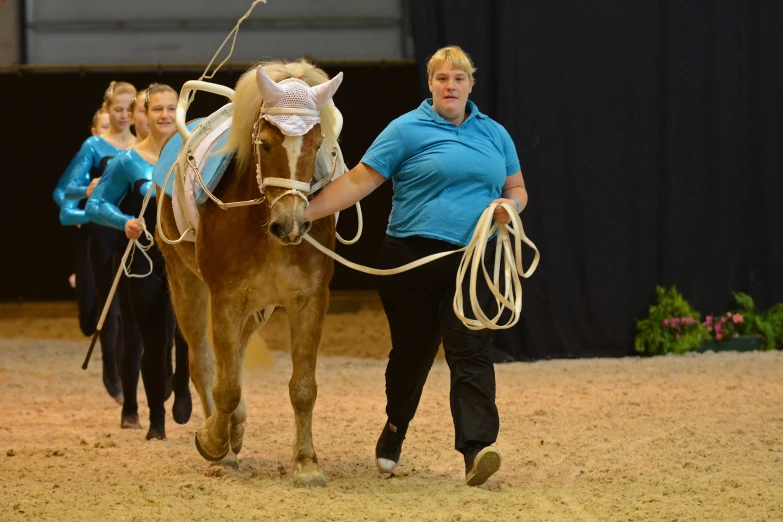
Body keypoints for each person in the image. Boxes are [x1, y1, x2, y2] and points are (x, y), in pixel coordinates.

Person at [305, 46, 528, 486]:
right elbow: (358, 182)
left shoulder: (495, 134)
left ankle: (476, 449)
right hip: (410, 258)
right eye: (442, 78)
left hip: (473, 260)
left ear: (470, 85)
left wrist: (510, 206)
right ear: (430, 84)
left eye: (459, 79)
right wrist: (300, 214)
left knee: (471, 351)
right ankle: (394, 430)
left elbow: (517, 186)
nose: (451, 86)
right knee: (413, 354)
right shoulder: (406, 129)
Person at [86, 83, 192, 440]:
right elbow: (96, 204)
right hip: (145, 259)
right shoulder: (128, 160)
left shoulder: (194, 153)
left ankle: (181, 383)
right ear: (143, 116)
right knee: (154, 339)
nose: (164, 116)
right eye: (156, 109)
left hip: (186, 256)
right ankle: (155, 421)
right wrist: (124, 222)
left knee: (187, 333)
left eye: (170, 108)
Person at [59, 82, 137, 403]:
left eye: (128, 109)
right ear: (108, 109)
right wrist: (87, 189)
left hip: (133, 232)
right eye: (116, 109)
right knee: (105, 312)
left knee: (130, 308)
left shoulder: (143, 145)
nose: (122, 115)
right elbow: (68, 190)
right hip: (102, 232)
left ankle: (123, 369)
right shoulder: (94, 145)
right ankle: (111, 368)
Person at [53, 108, 111, 336]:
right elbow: (61, 193)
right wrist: (86, 213)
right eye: (105, 128)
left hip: (122, 237)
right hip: (92, 235)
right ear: (94, 132)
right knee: (89, 321)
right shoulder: (89, 156)